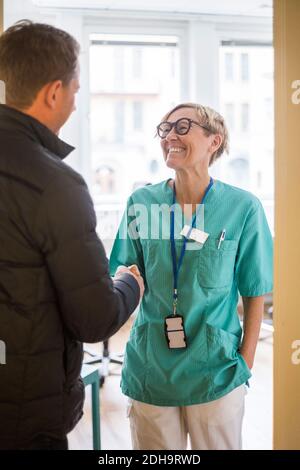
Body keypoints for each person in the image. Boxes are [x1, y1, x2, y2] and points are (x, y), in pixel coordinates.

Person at [0, 21, 144, 450]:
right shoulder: (55, 183)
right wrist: (129, 285)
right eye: (76, 91)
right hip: (25, 410)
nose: (76, 104)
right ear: (53, 92)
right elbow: (94, 318)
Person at [110, 102, 273, 450]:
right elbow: (123, 273)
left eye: (183, 127)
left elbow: (255, 290)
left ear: (215, 141)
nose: (170, 135)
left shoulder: (242, 208)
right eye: (165, 128)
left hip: (215, 368)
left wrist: (244, 362)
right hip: (151, 366)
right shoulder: (143, 202)